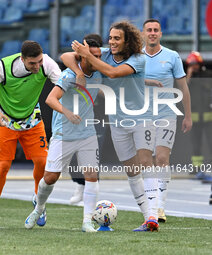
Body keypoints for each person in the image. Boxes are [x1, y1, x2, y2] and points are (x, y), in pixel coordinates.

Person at [62, 21, 159, 232]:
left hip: (142, 118)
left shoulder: (138, 58)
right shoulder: (104, 53)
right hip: (117, 122)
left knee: (145, 162)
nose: (112, 42)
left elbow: (112, 73)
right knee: (132, 171)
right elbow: (66, 57)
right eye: (111, 38)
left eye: (117, 38)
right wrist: (79, 66)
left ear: (127, 41)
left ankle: (153, 215)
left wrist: (87, 56)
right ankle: (147, 218)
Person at [0, 40, 61, 229]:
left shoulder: (47, 63)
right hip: (6, 120)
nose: (37, 66)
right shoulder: (2, 67)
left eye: (39, 61)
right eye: (32, 63)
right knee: (3, 165)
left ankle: (39, 204)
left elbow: (62, 84)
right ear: (22, 59)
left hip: (32, 118)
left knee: (43, 163)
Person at [24, 39, 103, 232]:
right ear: (83, 56)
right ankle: (39, 206)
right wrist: (67, 112)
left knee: (92, 176)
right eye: (94, 56)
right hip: (63, 134)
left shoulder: (100, 72)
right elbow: (50, 99)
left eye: (99, 56)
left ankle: (87, 221)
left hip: (87, 134)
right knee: (51, 177)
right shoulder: (69, 75)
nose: (98, 59)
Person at [142, 19, 192, 222]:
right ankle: (151, 205)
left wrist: (187, 115)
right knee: (145, 162)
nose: (152, 33)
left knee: (162, 158)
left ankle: (159, 208)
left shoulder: (172, 56)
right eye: (149, 30)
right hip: (142, 116)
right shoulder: (136, 57)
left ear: (161, 33)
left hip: (166, 115)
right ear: (143, 34)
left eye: (156, 30)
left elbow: (183, 88)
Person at [67, 33, 104, 205]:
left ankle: (91, 191)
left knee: (94, 155)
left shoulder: (104, 57)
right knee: (74, 155)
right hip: (76, 115)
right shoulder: (79, 61)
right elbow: (65, 56)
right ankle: (79, 185)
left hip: (98, 114)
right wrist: (77, 72)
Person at [186, 52, 212, 179]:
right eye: (191, 65)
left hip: (209, 119)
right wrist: (189, 76)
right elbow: (182, 93)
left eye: (195, 64)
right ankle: (196, 168)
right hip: (194, 120)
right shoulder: (187, 79)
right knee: (196, 145)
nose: (193, 67)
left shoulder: (208, 75)